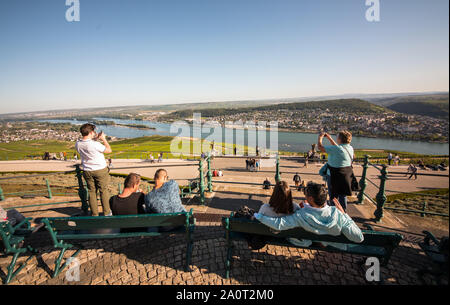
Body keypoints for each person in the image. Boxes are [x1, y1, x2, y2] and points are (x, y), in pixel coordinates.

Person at [253, 182, 364, 250]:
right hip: (334, 245)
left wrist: (260, 217)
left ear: (310, 199)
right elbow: (359, 238)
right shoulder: (337, 214)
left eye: (306, 193)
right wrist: (345, 215)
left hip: (307, 241)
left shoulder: (301, 215)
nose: (304, 195)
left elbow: (279, 224)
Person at [75, 123, 112, 216]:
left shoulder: (78, 144)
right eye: (94, 132)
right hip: (100, 170)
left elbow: (88, 144)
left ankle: (94, 214)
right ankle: (107, 213)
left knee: (91, 192)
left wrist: (95, 139)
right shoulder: (95, 144)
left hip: (87, 170)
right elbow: (108, 150)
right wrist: (103, 139)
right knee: (103, 191)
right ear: (91, 132)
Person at [317, 131, 354, 211]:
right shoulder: (350, 148)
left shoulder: (337, 149)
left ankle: (334, 213)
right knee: (342, 195)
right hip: (345, 175)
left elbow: (320, 147)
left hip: (333, 176)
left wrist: (320, 137)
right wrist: (330, 138)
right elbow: (338, 148)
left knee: (333, 196)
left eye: (337, 137)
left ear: (340, 139)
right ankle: (343, 212)